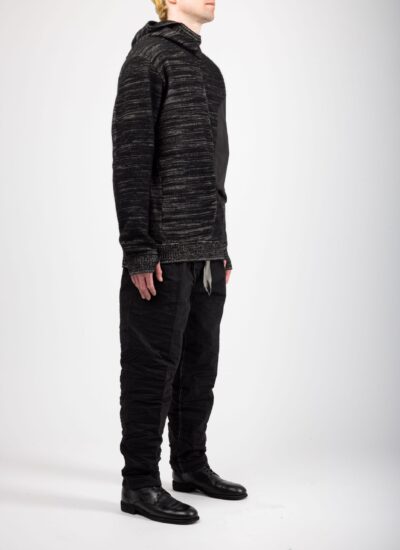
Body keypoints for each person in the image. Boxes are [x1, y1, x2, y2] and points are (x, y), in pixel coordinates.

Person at [111, 0, 247, 525]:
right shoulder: (148, 58)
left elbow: (215, 167)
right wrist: (138, 248)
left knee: (199, 365)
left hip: (207, 250)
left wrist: (220, 242)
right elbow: (130, 159)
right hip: (162, 251)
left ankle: (190, 465)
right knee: (151, 369)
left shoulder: (209, 70)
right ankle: (140, 484)